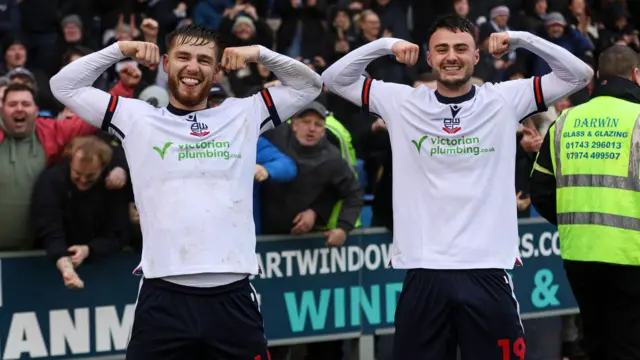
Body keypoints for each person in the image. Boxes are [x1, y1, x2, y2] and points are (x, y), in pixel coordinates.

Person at [322, 14, 593, 359]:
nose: (452, 56)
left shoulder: (504, 99)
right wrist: (386, 45)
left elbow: (580, 75)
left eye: (461, 48)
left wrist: (522, 38)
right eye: (442, 49)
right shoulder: (402, 102)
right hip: (424, 271)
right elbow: (333, 78)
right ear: (429, 57)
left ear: (476, 56)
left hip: (487, 269)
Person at [49, 24, 322, 360]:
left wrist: (259, 53)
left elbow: (311, 86)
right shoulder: (136, 118)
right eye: (183, 57)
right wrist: (120, 49)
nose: (193, 67)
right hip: (163, 296)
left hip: (232, 295)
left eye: (205, 60)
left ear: (219, 68)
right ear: (166, 63)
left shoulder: (243, 114)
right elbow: (63, 86)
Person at [530, 45, 640, 360]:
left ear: (596, 80)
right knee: (629, 345)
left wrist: (575, 220)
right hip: (631, 255)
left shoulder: (564, 122)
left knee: (595, 341)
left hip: (579, 253)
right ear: (635, 75)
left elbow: (540, 189)